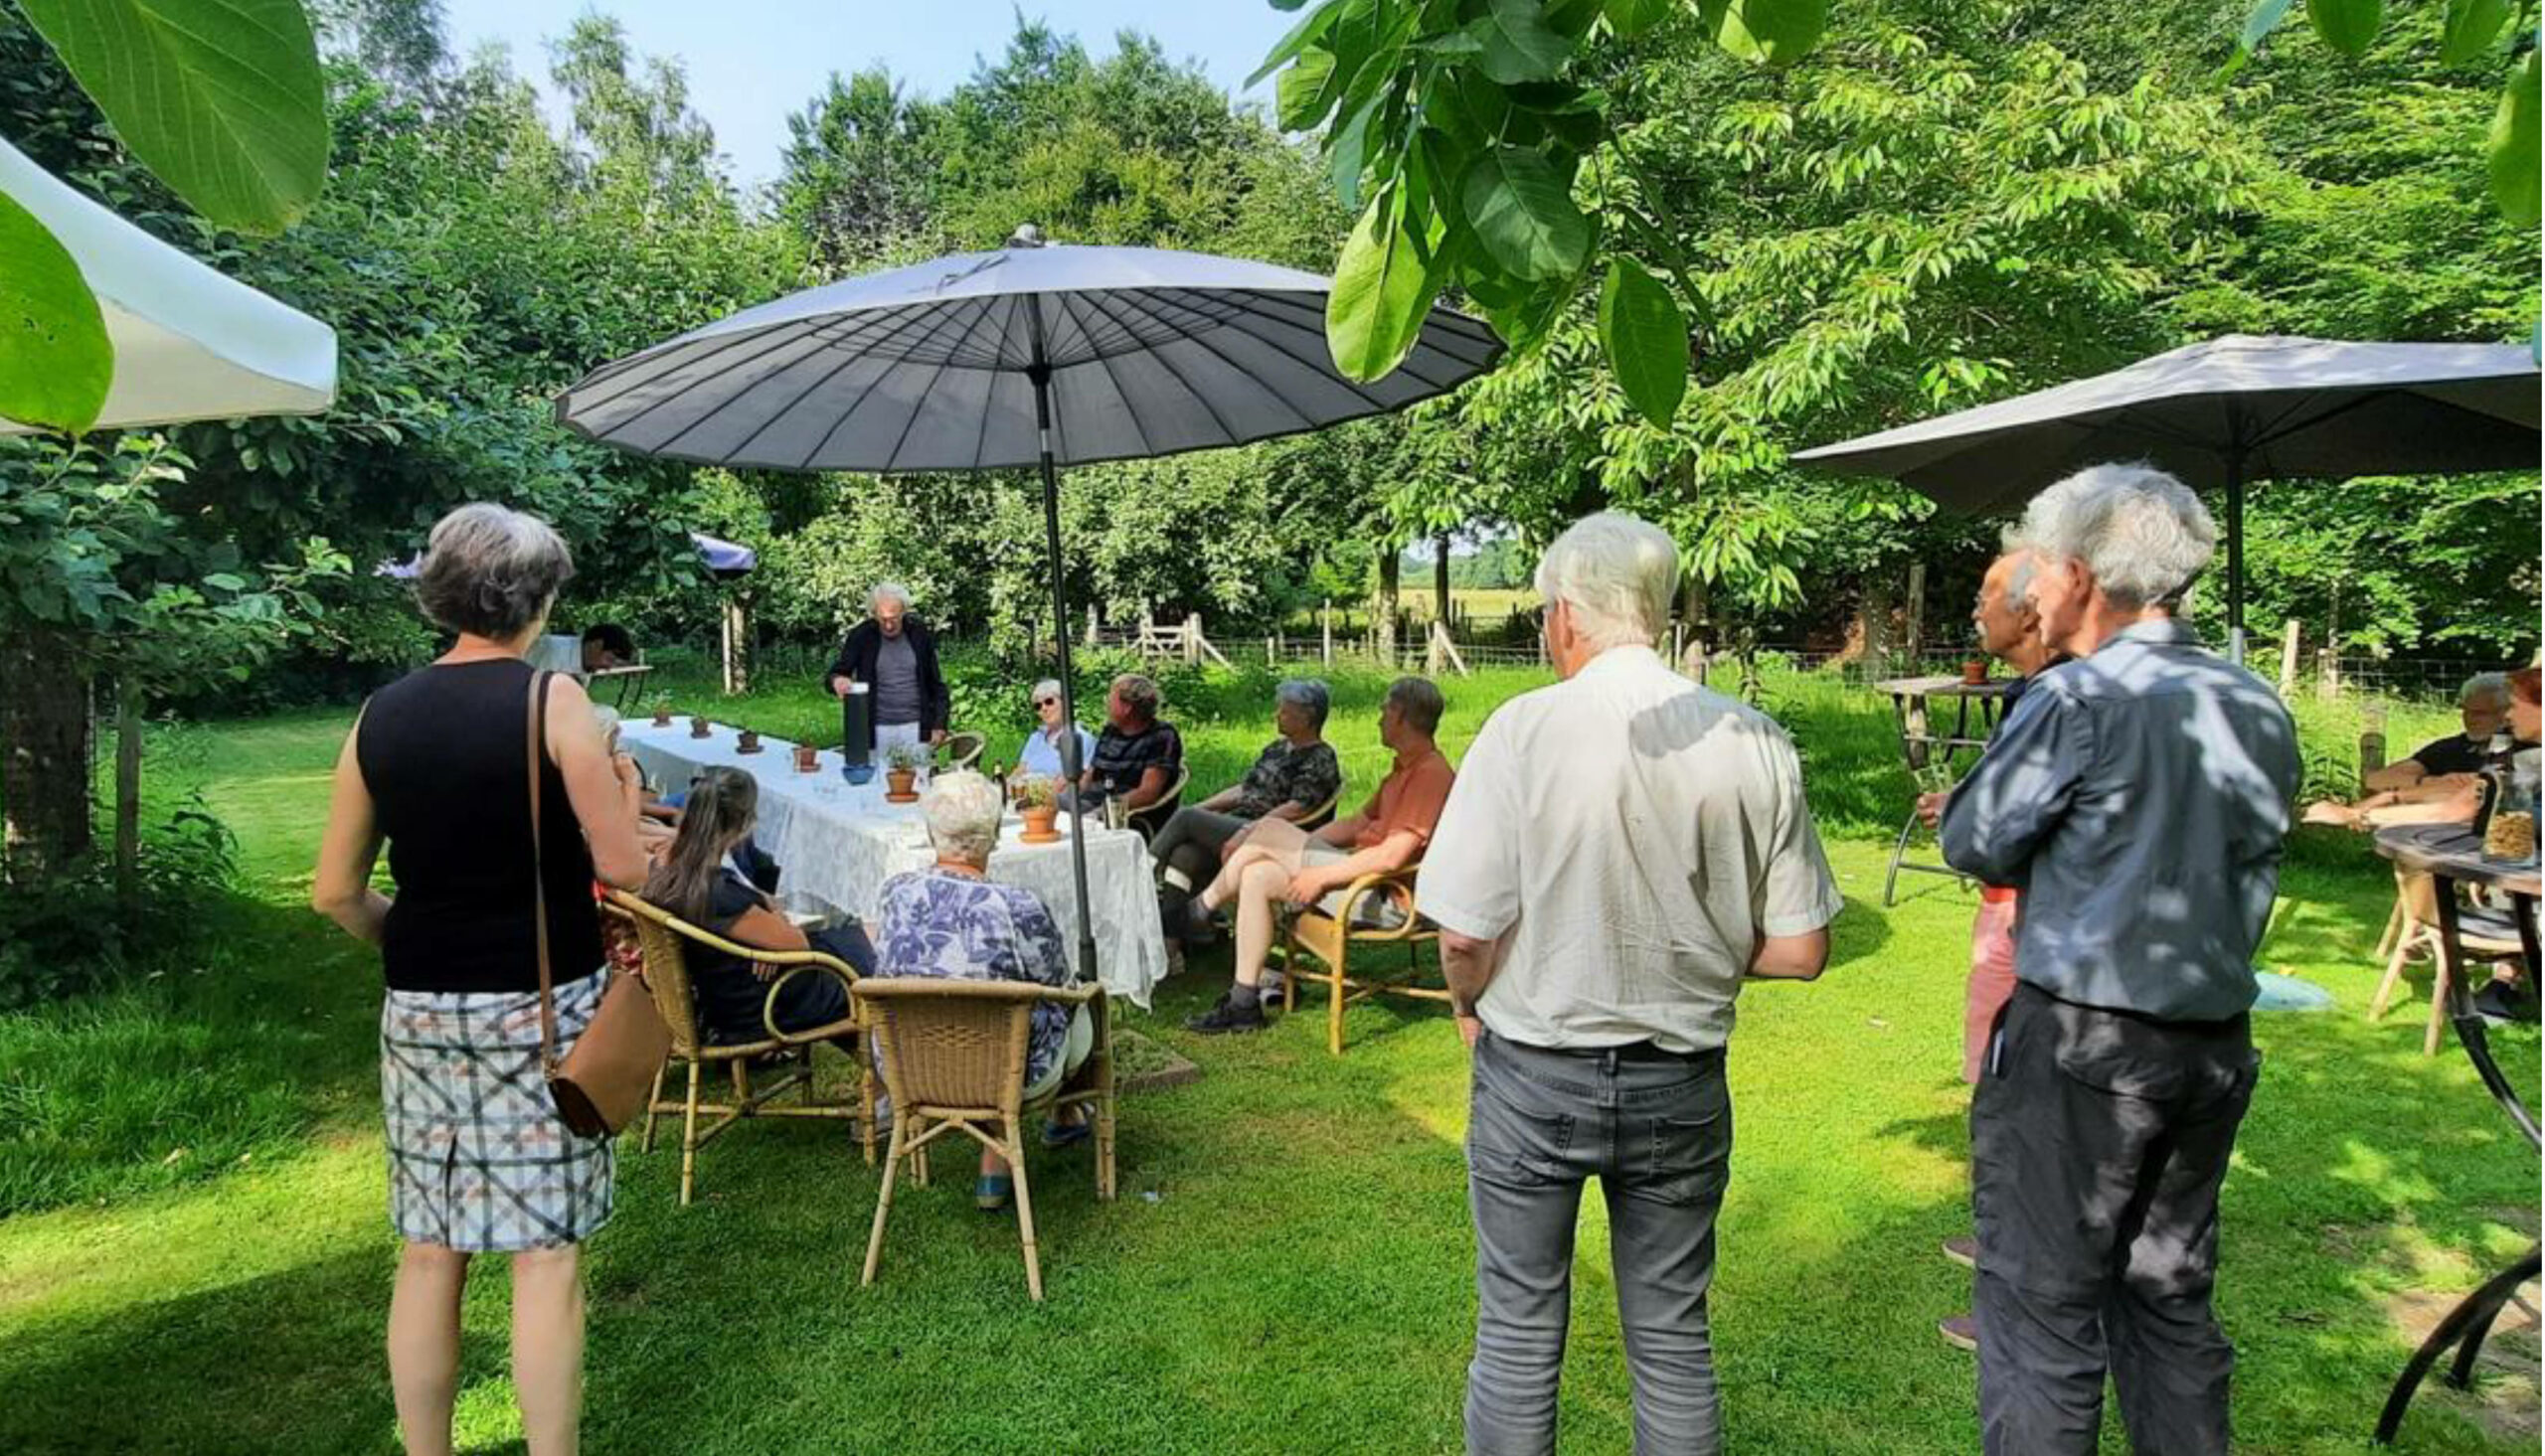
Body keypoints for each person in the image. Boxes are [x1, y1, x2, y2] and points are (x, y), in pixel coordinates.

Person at [1416, 512, 1843, 1456]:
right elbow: (1802, 946)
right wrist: (1686, 949)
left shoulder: (1524, 728)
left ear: (1565, 614)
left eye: (1542, 611)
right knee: (1672, 1336)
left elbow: (1460, 932)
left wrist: (1466, 1006)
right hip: (1681, 1080)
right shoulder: (1754, 735)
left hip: (1535, 1068)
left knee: (1521, 1331)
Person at [1940, 463, 2299, 1456]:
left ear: (2078, 577)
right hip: (2213, 1044)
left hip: (2083, 1041)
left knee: (2040, 1311)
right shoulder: (2256, 699)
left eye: (2041, 573)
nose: (2029, 594)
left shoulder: (2074, 699)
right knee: (2168, 1295)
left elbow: (1973, 840)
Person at [311, 502, 653, 1456]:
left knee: (430, 1247)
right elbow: (624, 869)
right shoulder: (554, 702)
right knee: (544, 1256)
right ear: (536, 601)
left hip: (419, 1007)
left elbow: (335, 892)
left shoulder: (380, 713)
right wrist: (624, 796)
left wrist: (410, 942)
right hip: (544, 1009)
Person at [1916, 549, 2066, 1352]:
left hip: (2034, 928)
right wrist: (1970, 799)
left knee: (2027, 1094)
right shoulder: (2030, 698)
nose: (1975, 616)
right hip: (2013, 914)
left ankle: (2019, 1280)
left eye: (1984, 600)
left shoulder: (2062, 699)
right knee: (1998, 1082)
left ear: (2032, 610)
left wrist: (1974, 823)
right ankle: (2004, 1237)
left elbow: (2003, 836)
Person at [871, 771, 1094, 1211]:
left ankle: (1009, 1149)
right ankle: (1049, 1124)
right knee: (1080, 1005)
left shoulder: (896, 893)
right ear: (993, 836)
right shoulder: (1016, 906)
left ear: (932, 833)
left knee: (1000, 1017)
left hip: (908, 1065)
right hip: (1005, 1073)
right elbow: (1057, 984)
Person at [1182, 676, 1452, 1036]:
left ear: (1402, 716)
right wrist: (1295, 845)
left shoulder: (1431, 774)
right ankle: (1243, 1002)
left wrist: (1318, 873)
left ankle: (1198, 911)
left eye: (1384, 711)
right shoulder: (1402, 768)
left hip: (1387, 897)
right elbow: (1359, 821)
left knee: (1270, 834)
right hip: (1361, 879)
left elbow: (1393, 855)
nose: (1378, 718)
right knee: (1256, 874)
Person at [642, 767, 876, 1044]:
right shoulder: (719, 893)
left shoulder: (670, 871)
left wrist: (764, 927)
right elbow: (796, 944)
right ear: (744, 824)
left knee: (859, 935)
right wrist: (770, 928)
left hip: (729, 990)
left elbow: (774, 932)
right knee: (873, 939)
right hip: (764, 1006)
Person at [1151, 678, 1344, 963]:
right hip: (1243, 822)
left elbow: (1298, 808)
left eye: (1285, 711)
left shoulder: (1320, 757)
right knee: (1184, 854)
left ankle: (1141, 872)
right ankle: (1173, 948)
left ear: (1308, 717)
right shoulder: (1277, 749)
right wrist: (1202, 808)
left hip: (1274, 838)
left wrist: (1252, 828)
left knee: (1187, 818)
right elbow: (1246, 789)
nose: (1277, 715)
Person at [826, 582, 950, 752]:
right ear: (874, 613)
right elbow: (837, 673)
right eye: (883, 619)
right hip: (876, 730)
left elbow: (936, 684)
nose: (889, 626)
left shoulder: (919, 634)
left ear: (904, 612)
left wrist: (939, 725)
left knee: (917, 779)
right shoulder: (861, 636)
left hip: (917, 728)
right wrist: (837, 680)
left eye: (894, 619)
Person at [2360, 672, 2514, 791]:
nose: (2469, 718)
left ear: (2507, 713)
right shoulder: (2450, 748)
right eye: (2466, 711)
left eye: (2480, 713)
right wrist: (2433, 783)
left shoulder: (2523, 749)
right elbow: (2376, 781)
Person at [1063, 673, 1182, 818]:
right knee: (1042, 805)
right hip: (1089, 802)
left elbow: (1147, 793)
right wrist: (1069, 791)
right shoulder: (1110, 731)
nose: (1107, 703)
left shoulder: (1161, 736)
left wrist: (1103, 811)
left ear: (1127, 708)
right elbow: (1090, 777)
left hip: (1123, 814)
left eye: (1111, 698)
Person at [1016, 678, 1096, 780]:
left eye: (1049, 701)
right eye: (1038, 706)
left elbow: (1080, 781)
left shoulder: (1080, 738)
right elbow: (1019, 771)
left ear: (1065, 703)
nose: (1044, 708)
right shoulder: (1035, 738)